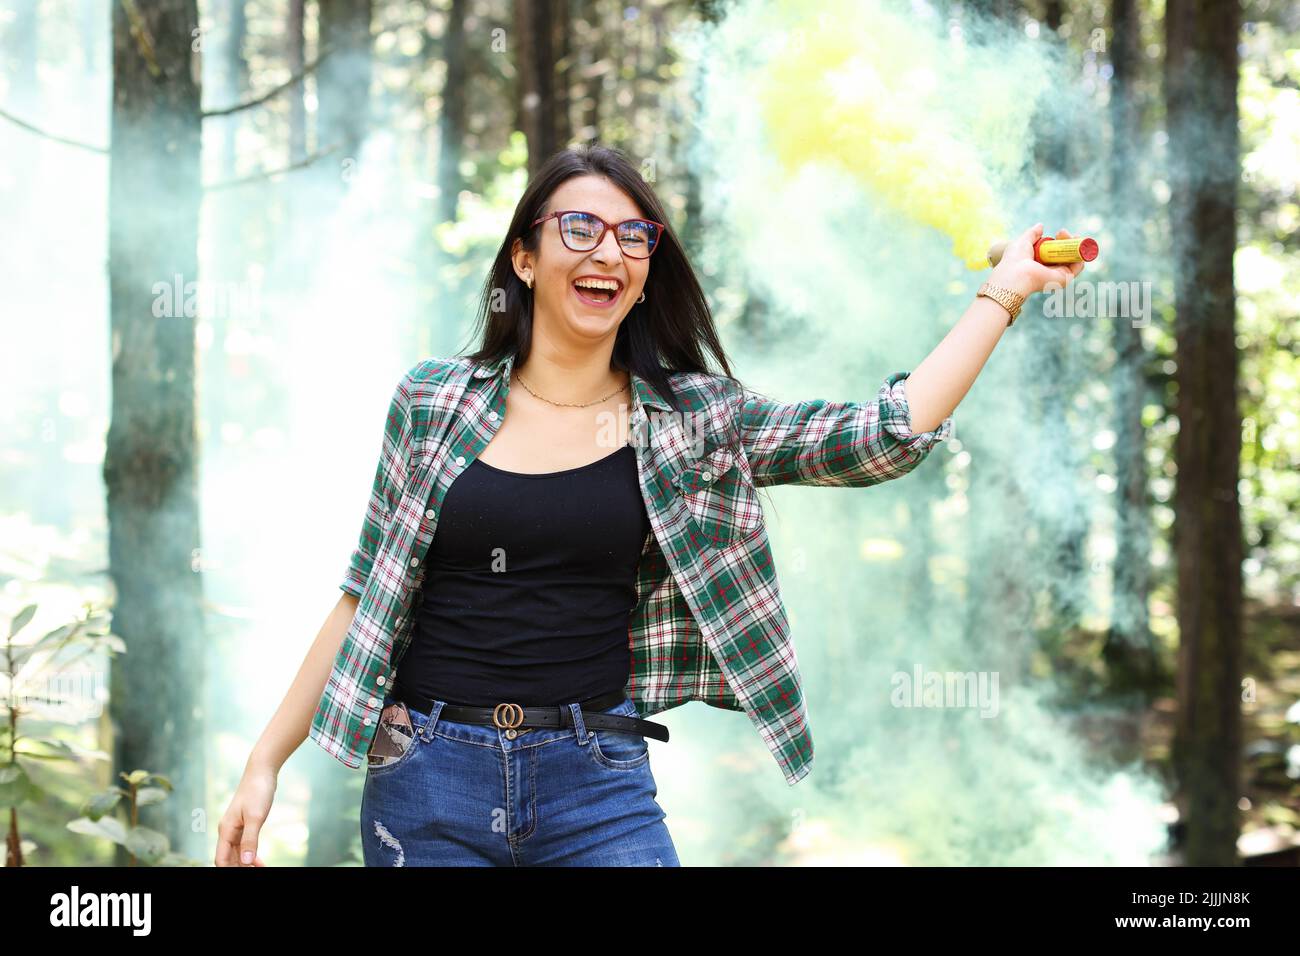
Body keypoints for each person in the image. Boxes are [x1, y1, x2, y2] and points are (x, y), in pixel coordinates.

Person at [215, 143, 1085, 867]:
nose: (610, 251)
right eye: (580, 228)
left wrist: (1003, 291)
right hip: (427, 778)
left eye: (634, 236)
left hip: (596, 780)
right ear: (525, 257)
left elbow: (880, 434)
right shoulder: (433, 402)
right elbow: (365, 592)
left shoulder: (693, 421)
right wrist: (265, 762)